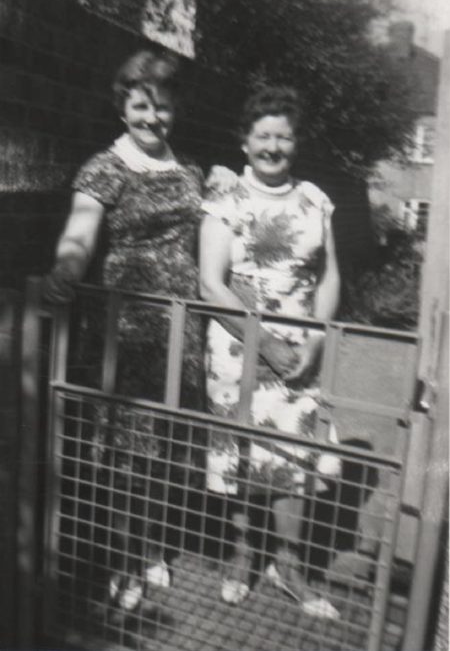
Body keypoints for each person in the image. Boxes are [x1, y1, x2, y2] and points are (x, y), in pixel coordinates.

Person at [43, 49, 204, 611]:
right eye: (141, 106)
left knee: (162, 448)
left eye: (162, 107)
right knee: (125, 452)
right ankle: (124, 558)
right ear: (123, 107)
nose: (152, 118)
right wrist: (66, 270)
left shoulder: (192, 172)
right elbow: (80, 232)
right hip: (127, 327)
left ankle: (153, 546)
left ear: (175, 109)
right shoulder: (103, 167)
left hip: (181, 326)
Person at [199, 86, 341, 618]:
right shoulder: (224, 201)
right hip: (239, 347)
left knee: (292, 458)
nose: (273, 146)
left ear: (295, 142)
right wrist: (265, 343)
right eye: (263, 135)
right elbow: (211, 284)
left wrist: (318, 337)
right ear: (245, 139)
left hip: (300, 351)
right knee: (243, 455)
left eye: (283, 136)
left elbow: (328, 277)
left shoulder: (316, 200)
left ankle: (289, 564)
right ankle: (243, 556)